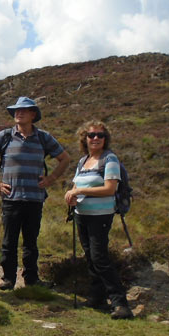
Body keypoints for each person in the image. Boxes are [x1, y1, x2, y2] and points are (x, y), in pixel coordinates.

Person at [0, 97, 70, 290]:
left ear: (33, 115)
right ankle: (8, 278)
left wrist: (51, 179)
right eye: (15, 111)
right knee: (9, 241)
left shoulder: (44, 137)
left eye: (23, 110)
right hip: (11, 199)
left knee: (31, 242)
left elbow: (64, 159)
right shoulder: (4, 136)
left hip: (34, 199)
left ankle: (31, 279)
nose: (18, 113)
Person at [64, 120, 134, 320]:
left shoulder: (110, 159)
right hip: (81, 215)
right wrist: (72, 196)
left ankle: (121, 303)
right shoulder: (82, 161)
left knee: (100, 258)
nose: (95, 138)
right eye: (91, 135)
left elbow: (109, 188)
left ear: (106, 139)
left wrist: (79, 191)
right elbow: (78, 185)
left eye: (100, 135)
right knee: (91, 256)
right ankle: (97, 297)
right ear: (84, 139)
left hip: (100, 216)